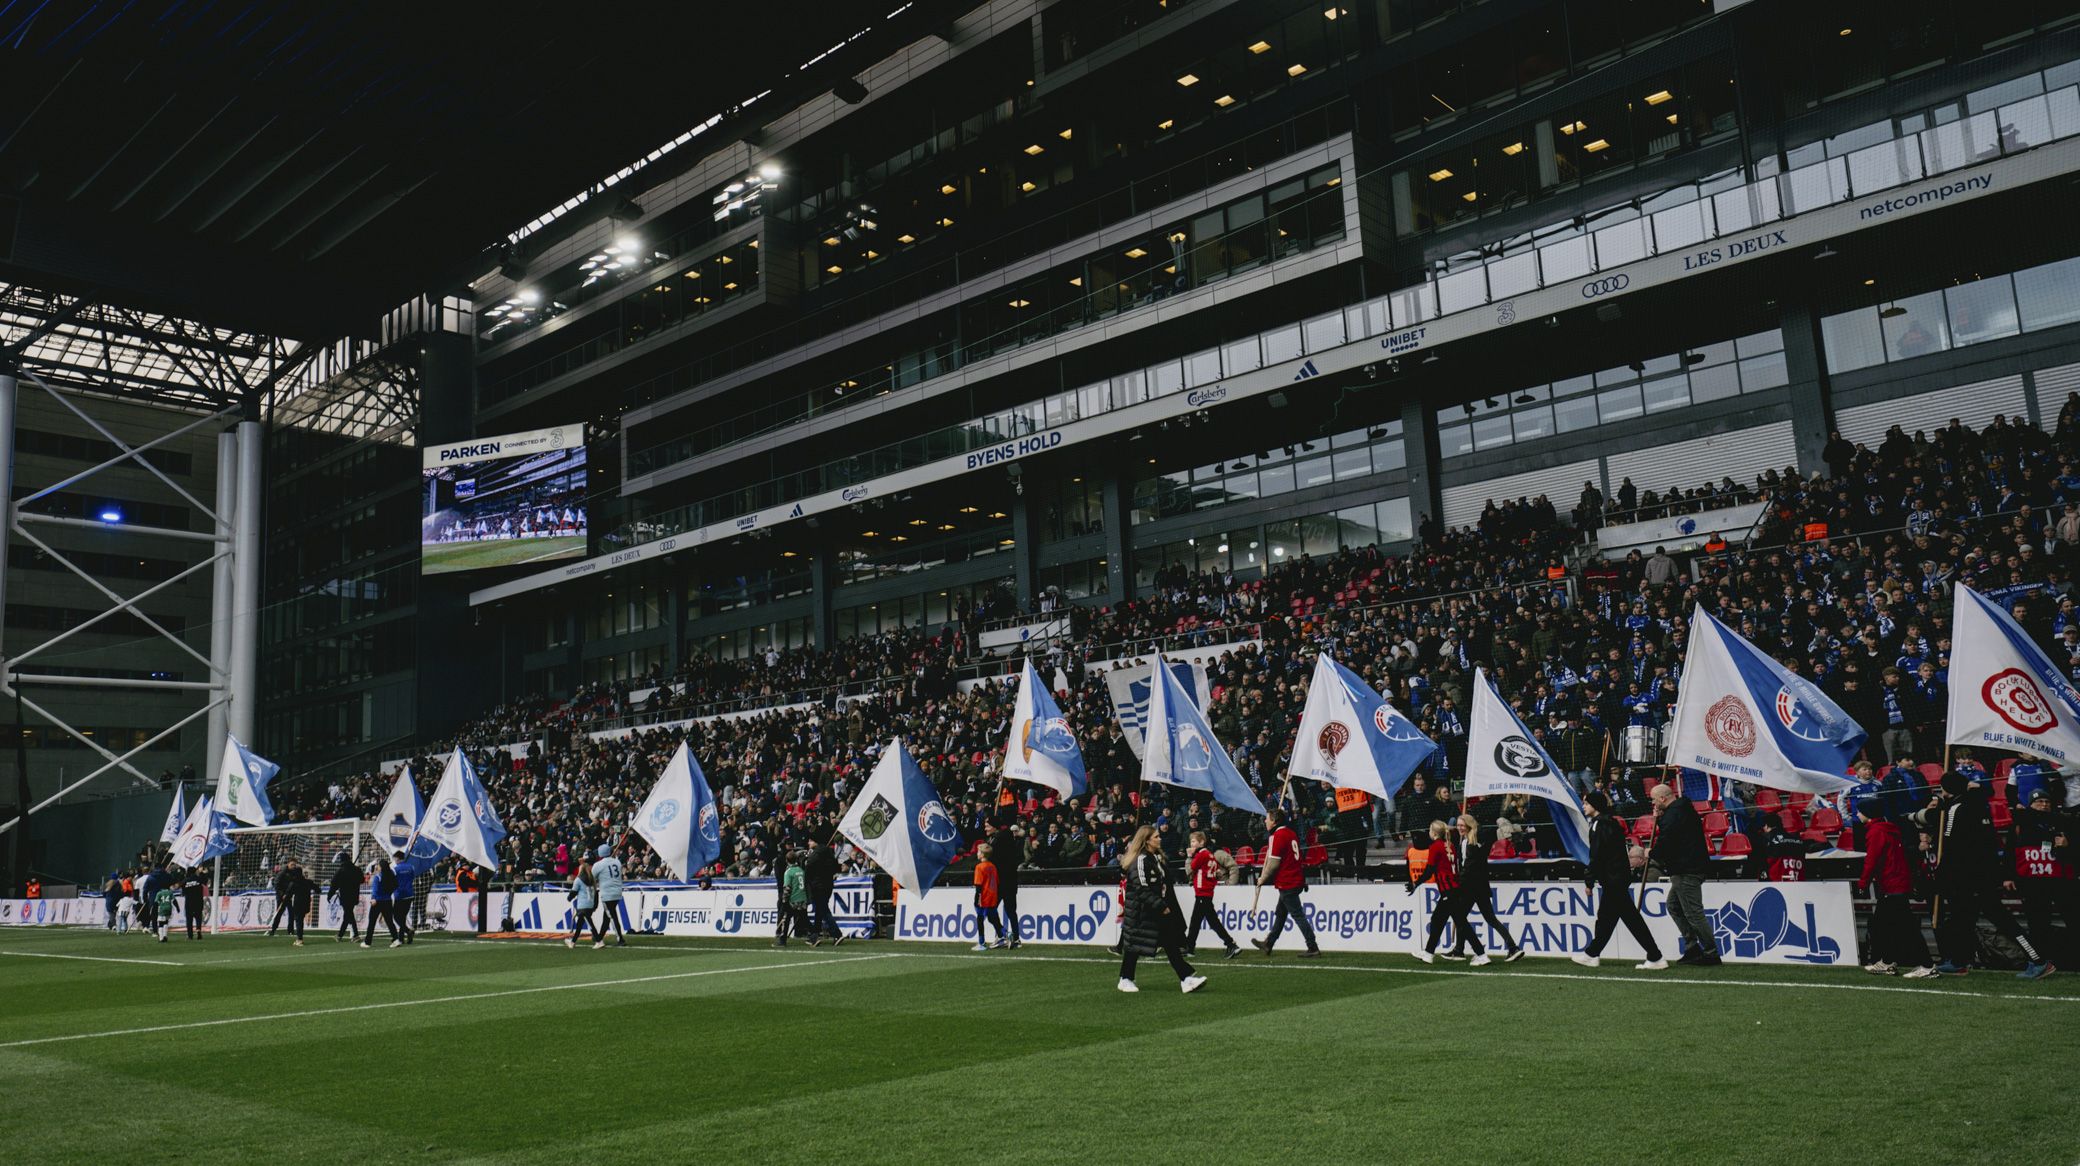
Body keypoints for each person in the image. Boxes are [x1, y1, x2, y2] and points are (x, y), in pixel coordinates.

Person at [1910, 772, 2053, 979]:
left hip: (1970, 878)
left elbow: (1950, 847)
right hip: (1983, 874)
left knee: (2003, 921)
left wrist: (1940, 878)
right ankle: (1959, 961)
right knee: (1962, 920)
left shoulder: (1956, 809)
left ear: (1948, 789)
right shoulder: (1979, 806)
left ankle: (2038, 960)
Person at [1571, 791, 1666, 969]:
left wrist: (1589, 880)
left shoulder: (1600, 825)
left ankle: (1655, 956)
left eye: (1586, 803)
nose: (1583, 806)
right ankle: (1593, 953)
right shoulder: (1609, 823)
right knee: (1610, 918)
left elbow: (1597, 856)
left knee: (1627, 919)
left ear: (1595, 805)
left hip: (1613, 879)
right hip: (1617, 878)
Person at [1117, 826, 1205, 994]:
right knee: (1134, 945)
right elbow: (1141, 888)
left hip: (1154, 909)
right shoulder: (1141, 860)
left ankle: (1186, 978)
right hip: (1142, 911)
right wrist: (1160, 905)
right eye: (1156, 837)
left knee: (1169, 942)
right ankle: (1125, 978)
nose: (1160, 839)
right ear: (1147, 840)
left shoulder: (1156, 858)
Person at [1857, 798, 1931, 976]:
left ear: (1868, 814)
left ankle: (1927, 965)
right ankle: (1887, 961)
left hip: (1891, 884)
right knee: (1883, 925)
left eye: (1860, 811)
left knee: (1905, 926)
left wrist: (1863, 883)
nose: (1857, 814)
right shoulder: (1889, 829)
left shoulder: (1875, 832)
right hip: (1897, 882)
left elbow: (1872, 860)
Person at [1648, 784, 1721, 966]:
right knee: (1674, 906)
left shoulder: (1673, 815)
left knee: (1693, 912)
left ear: (1663, 799)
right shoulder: (1682, 810)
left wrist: (1652, 853)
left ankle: (1710, 953)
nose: (1653, 803)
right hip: (1689, 867)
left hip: (1686, 869)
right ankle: (1692, 947)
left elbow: (1667, 840)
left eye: (1654, 800)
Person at [2010, 786, 2075, 969]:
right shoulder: (2020, 824)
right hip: (2034, 883)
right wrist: (2008, 876)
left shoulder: (2064, 822)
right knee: (2038, 923)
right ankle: (2041, 960)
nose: (2044, 805)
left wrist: (2067, 845)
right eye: (2039, 801)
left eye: (2047, 802)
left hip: (2061, 880)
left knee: (2074, 918)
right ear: (2030, 804)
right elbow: (2010, 852)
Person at [1408, 819, 1489, 966]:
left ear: (1433, 833)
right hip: (1454, 888)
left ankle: (1481, 954)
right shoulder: (1449, 845)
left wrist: (1416, 883)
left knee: (1459, 922)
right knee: (1440, 920)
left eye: (1430, 830)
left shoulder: (1435, 847)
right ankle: (1428, 953)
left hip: (1448, 891)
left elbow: (1430, 870)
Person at [1446, 815, 1522, 962]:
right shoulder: (1468, 839)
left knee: (1463, 917)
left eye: (1462, 825)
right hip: (1478, 886)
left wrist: (1458, 885)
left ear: (1469, 825)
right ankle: (1512, 947)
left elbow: (1468, 867)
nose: (1459, 827)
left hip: (1470, 887)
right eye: (1458, 825)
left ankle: (1459, 951)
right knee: (1487, 918)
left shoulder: (1474, 840)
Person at [1249, 807, 1321, 958]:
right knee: (1281, 914)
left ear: (1274, 821)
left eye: (1267, 818)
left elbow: (1274, 863)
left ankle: (1312, 946)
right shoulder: (1291, 833)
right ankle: (1269, 943)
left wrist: (1263, 878)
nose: (1265, 821)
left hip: (1287, 881)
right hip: (1296, 878)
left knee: (1297, 915)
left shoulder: (1278, 836)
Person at [1183, 830, 1240, 959]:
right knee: (1198, 921)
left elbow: (1190, 869)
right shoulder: (1210, 855)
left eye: (1193, 841)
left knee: (1208, 922)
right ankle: (1190, 947)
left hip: (1203, 892)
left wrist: (1189, 856)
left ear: (1201, 842)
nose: (1191, 844)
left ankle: (1231, 944)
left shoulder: (1201, 855)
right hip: (1206, 892)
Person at [805, 835, 844, 944]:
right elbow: (836, 867)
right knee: (819, 910)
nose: (808, 843)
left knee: (823, 910)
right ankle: (814, 936)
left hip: (818, 886)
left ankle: (837, 934)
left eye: (810, 840)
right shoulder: (829, 853)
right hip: (828, 885)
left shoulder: (816, 854)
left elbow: (808, 868)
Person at [592, 843, 628, 949]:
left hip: (607, 893)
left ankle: (620, 938)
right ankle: (599, 937)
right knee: (607, 916)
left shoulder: (598, 865)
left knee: (612, 916)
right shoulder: (617, 861)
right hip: (617, 892)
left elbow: (592, 878)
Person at [971, 842, 1006, 951]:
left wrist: (978, 899)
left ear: (982, 854)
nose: (977, 853)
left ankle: (981, 943)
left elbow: (978, 885)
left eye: (978, 852)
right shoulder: (993, 866)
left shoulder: (979, 867)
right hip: (993, 895)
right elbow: (997, 882)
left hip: (983, 897)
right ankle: (1002, 935)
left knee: (980, 919)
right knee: (992, 918)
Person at [567, 852, 602, 950]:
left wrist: (569, 898)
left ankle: (599, 941)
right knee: (579, 924)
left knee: (590, 924)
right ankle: (573, 942)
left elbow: (573, 891)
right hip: (590, 904)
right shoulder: (592, 879)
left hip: (583, 905)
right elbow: (595, 892)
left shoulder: (578, 880)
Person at [362, 855, 399, 949]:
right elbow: (395, 886)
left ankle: (367, 942)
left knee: (372, 922)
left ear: (381, 867)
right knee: (390, 921)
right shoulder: (391, 875)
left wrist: (374, 898)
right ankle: (396, 939)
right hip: (388, 901)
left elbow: (375, 889)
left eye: (378, 865)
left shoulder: (378, 877)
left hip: (378, 901)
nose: (376, 867)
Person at [330, 850, 364, 943]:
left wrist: (330, 895)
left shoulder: (341, 871)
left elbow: (334, 884)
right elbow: (362, 880)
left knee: (349, 914)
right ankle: (340, 935)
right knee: (348, 914)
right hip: (354, 895)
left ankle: (356, 935)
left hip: (345, 896)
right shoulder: (356, 869)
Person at [780, 851, 813, 945]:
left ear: (787, 860)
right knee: (804, 919)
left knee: (786, 919)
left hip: (793, 900)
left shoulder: (788, 872)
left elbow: (787, 888)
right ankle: (813, 936)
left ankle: (782, 940)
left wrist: (784, 901)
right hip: (802, 898)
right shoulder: (801, 870)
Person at [282, 862, 315, 946]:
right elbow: (318, 889)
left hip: (298, 904)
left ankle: (299, 939)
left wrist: (284, 900)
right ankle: (299, 938)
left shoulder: (293, 883)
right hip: (306, 903)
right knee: (300, 920)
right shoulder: (307, 882)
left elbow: (288, 894)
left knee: (298, 921)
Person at [390, 852, 418, 946]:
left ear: (397, 858)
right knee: (402, 917)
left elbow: (392, 881)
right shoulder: (411, 867)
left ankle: (407, 931)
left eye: (394, 859)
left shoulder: (395, 869)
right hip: (409, 894)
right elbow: (412, 877)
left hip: (400, 895)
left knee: (396, 916)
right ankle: (401, 938)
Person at [180, 866, 207, 940]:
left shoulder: (185, 881)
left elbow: (183, 890)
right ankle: (198, 930)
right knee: (198, 917)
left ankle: (190, 935)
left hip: (189, 901)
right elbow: (205, 882)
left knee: (189, 919)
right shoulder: (198, 879)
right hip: (198, 900)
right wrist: (202, 873)